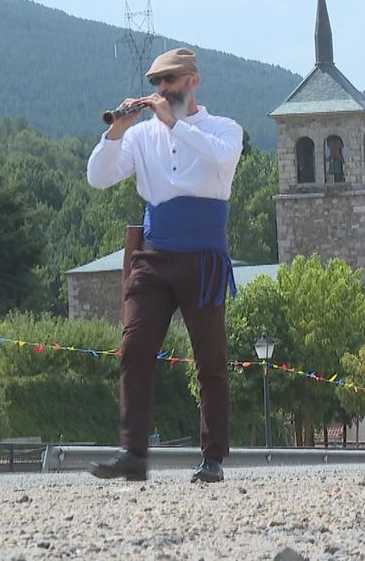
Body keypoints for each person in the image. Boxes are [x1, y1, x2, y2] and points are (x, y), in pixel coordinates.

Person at [85, 48, 244, 483]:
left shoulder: (223, 129)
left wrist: (174, 122)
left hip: (203, 257)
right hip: (154, 257)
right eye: (156, 83)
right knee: (134, 348)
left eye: (169, 82)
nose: (160, 90)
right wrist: (116, 132)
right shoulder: (141, 136)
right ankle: (133, 454)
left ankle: (212, 458)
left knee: (209, 361)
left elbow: (220, 159)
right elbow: (98, 177)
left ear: (192, 81)